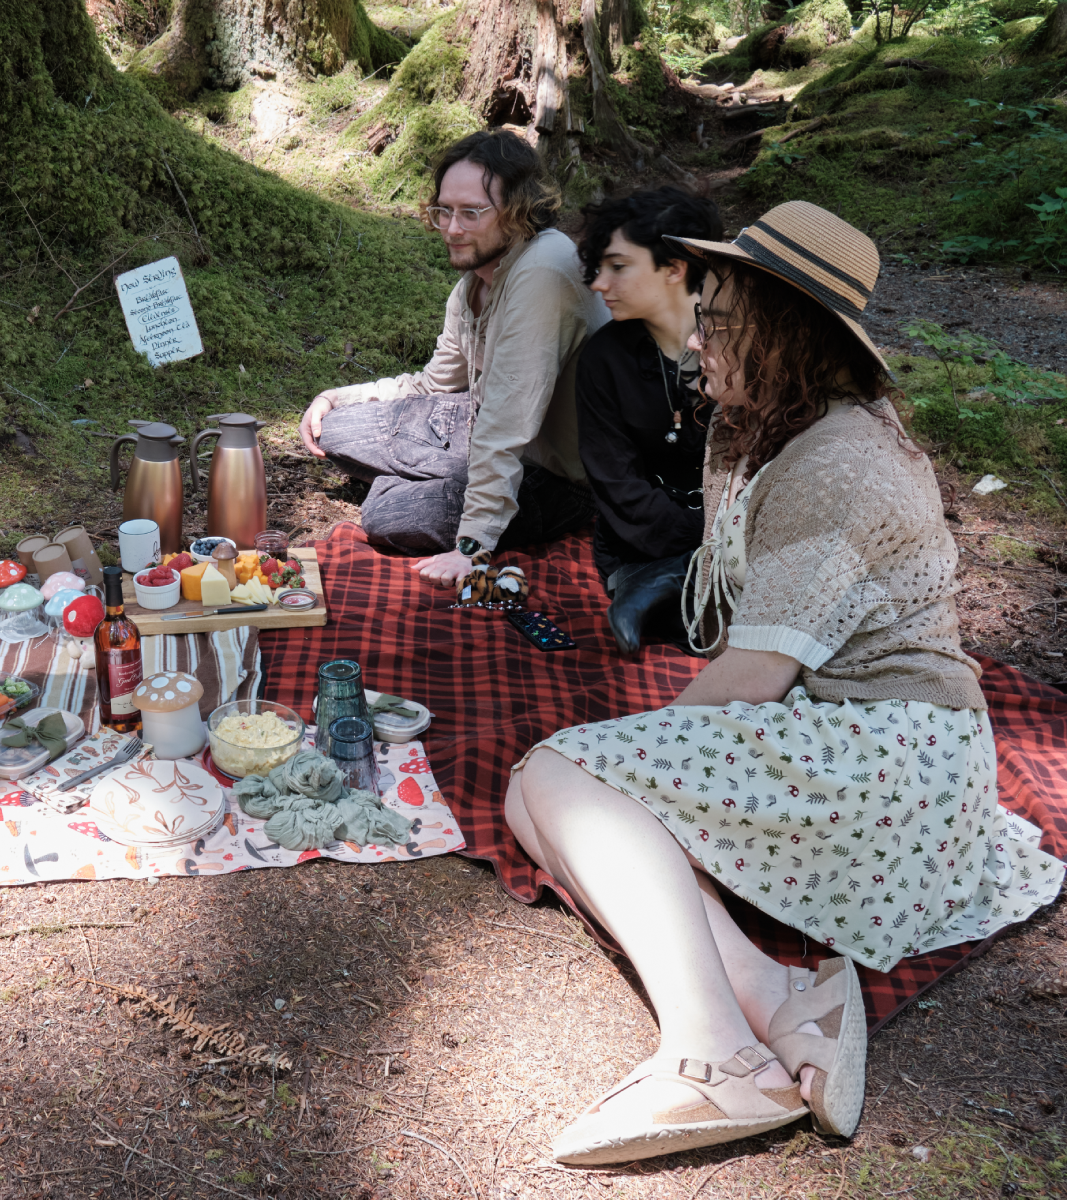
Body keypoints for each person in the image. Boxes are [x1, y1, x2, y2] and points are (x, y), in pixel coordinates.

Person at [505, 202, 1063, 1165]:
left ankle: (716, 1060)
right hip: (861, 732)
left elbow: (753, 675)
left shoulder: (836, 462)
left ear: (782, 331)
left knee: (562, 779)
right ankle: (778, 1003)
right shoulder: (777, 426)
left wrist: (635, 766)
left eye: (717, 315)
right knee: (533, 789)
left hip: (895, 760)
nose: (696, 333)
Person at [298, 130, 607, 581]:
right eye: (444, 211)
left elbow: (508, 424)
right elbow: (435, 384)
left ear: (518, 211)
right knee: (334, 430)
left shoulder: (542, 271)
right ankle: (433, 477)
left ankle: (422, 484)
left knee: (386, 517)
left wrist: (473, 547)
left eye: (471, 213)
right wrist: (337, 396)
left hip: (558, 476)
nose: (452, 228)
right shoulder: (475, 283)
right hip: (481, 426)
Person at [575, 187, 725, 653]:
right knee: (692, 623)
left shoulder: (739, 340)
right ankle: (673, 578)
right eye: (599, 268)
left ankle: (678, 580)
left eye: (618, 267)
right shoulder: (604, 359)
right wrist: (697, 544)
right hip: (641, 540)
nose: (599, 284)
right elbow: (615, 482)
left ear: (674, 268)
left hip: (738, 528)